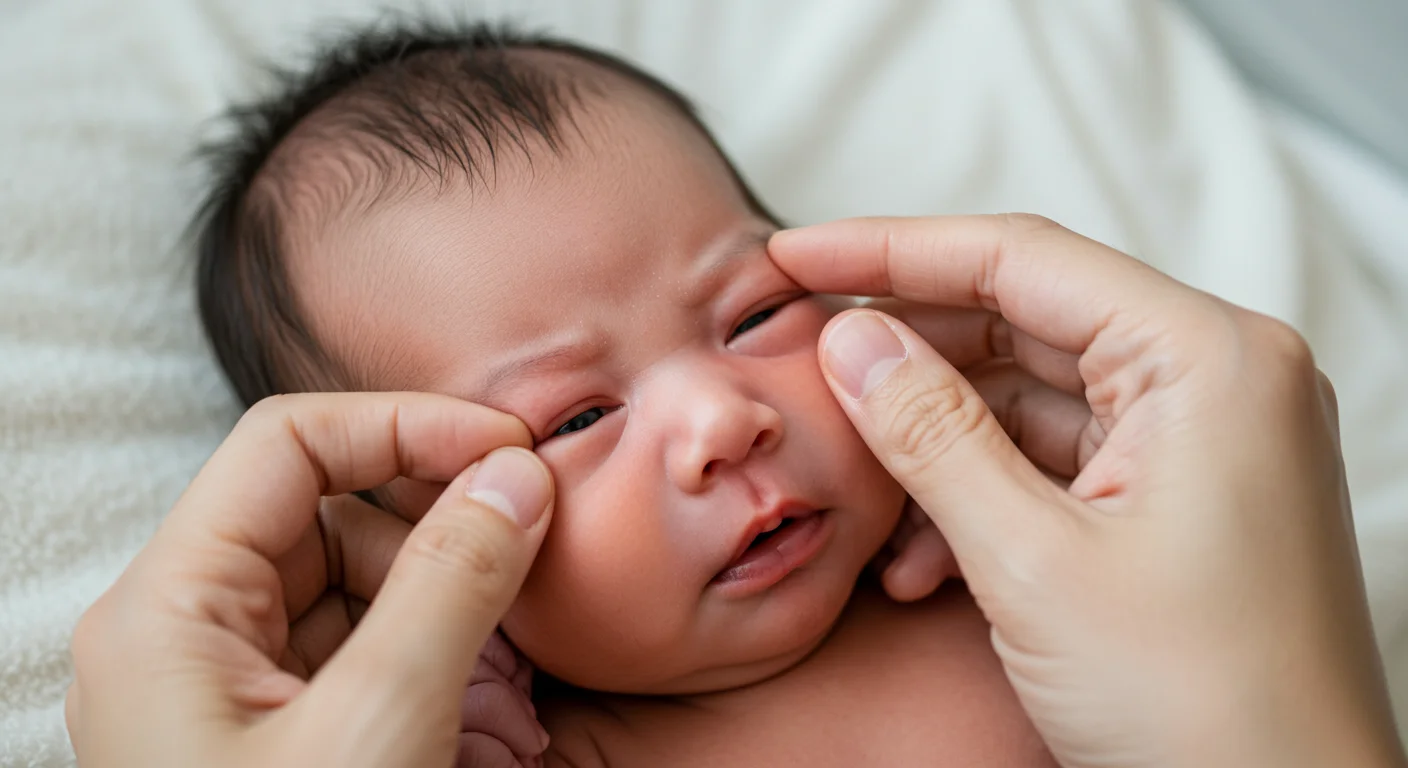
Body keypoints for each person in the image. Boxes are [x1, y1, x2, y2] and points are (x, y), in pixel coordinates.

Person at [66, 23, 1406, 768]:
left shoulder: (1048, 549)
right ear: (415, 557)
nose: (722, 419)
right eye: (578, 420)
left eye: (755, 315)